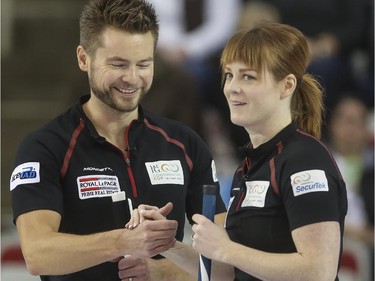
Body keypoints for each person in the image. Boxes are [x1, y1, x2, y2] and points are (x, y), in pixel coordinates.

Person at [9, 0, 226, 280]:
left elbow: (226, 258)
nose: (132, 78)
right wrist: (124, 241)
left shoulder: (184, 143)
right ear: (83, 58)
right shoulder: (46, 147)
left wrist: (166, 271)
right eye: (118, 64)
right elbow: (37, 254)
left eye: (143, 64)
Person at [130, 22, 348, 281]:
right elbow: (227, 273)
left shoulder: (304, 160)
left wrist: (226, 248)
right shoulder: (249, 167)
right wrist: (167, 245)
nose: (232, 87)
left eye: (248, 76)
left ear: (287, 85)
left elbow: (317, 271)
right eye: (229, 75)